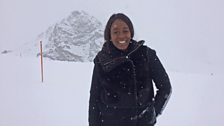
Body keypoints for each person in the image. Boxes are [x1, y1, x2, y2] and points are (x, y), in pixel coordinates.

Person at [88, 13, 172, 126]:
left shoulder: (146, 54)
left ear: (131, 32)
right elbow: (94, 98)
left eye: (125, 31)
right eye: (116, 32)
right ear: (109, 35)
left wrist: (151, 115)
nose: (121, 36)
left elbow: (165, 88)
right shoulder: (102, 60)